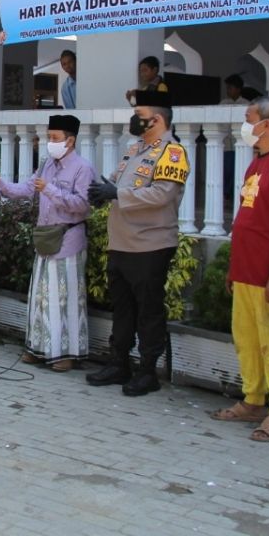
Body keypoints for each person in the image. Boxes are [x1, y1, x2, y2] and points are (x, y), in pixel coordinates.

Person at [210, 96, 269, 442]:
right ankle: (253, 398)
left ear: (266, 124)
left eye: (249, 118)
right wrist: (233, 268)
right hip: (246, 269)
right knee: (247, 340)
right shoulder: (256, 164)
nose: (245, 124)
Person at [86, 89, 189, 396]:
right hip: (122, 242)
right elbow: (117, 184)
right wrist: (103, 191)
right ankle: (119, 363)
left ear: (156, 119)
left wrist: (117, 194)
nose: (134, 121)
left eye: (139, 116)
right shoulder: (134, 149)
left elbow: (162, 195)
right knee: (123, 308)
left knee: (148, 310)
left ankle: (148, 370)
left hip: (151, 244)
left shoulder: (173, 152)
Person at [0, 114, 93, 371]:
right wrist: (2, 186)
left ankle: (65, 354)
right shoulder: (47, 164)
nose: (51, 142)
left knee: (64, 299)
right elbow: (27, 188)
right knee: (41, 297)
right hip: (46, 239)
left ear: (71, 140)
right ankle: (38, 348)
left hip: (68, 239)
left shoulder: (83, 168)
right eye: (49, 137)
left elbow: (81, 206)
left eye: (55, 138)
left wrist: (49, 189)